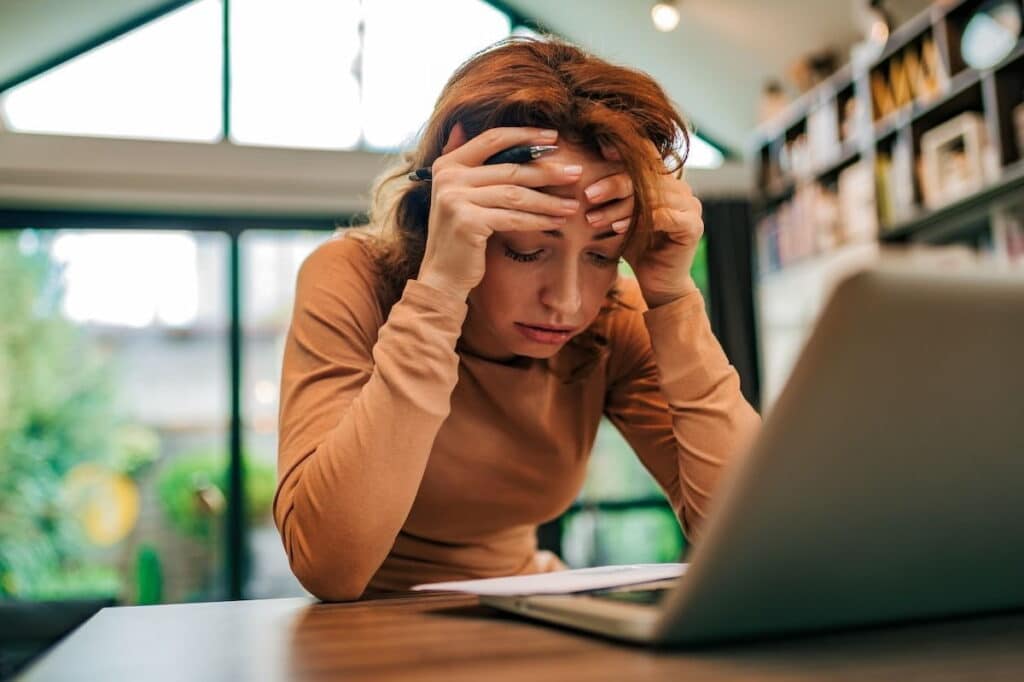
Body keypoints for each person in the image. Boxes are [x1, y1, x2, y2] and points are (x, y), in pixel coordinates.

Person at [274, 36, 760, 602]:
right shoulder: (352, 277)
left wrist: (674, 300)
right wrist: (439, 289)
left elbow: (748, 536)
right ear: (449, 213)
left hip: (529, 615)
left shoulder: (612, 317)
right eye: (527, 250)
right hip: (368, 632)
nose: (569, 302)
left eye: (603, 255)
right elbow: (329, 565)